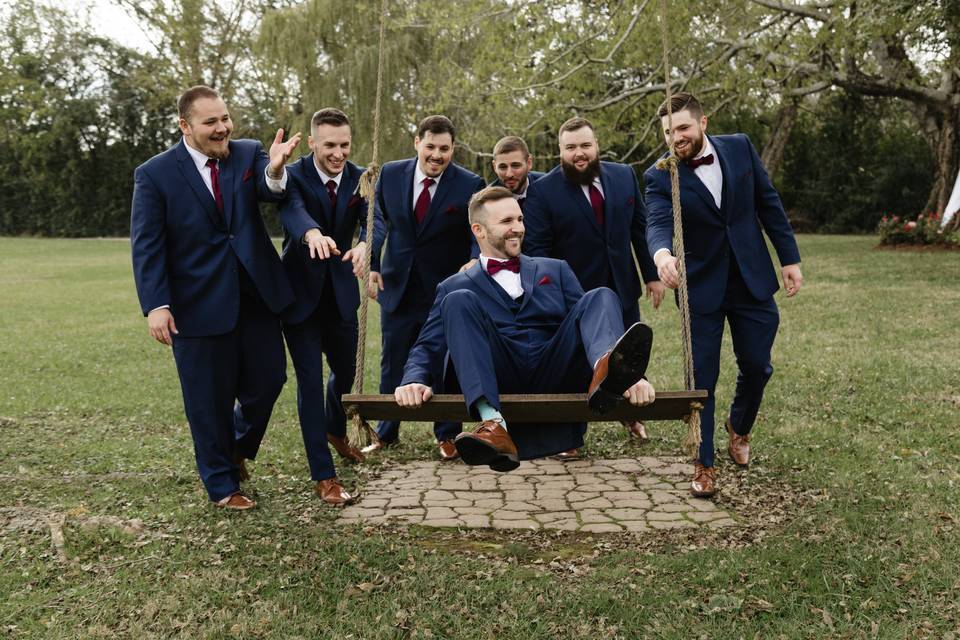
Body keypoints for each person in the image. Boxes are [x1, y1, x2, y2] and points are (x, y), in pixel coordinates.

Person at [394, 186, 656, 471]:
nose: (517, 228)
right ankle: (493, 424)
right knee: (458, 300)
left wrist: (633, 377)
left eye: (519, 220)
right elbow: (429, 345)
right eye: (506, 222)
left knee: (600, 296)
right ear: (478, 230)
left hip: (554, 369)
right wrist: (413, 379)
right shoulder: (454, 285)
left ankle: (612, 372)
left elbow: (590, 322)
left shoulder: (554, 269)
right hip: (495, 372)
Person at [131, 85, 301, 510]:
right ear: (185, 126)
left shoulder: (248, 153)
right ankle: (223, 486)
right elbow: (147, 245)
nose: (223, 128)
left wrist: (276, 169)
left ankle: (237, 447)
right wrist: (156, 304)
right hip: (195, 305)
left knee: (268, 381)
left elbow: (271, 187)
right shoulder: (154, 175)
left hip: (257, 296)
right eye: (211, 122)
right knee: (208, 400)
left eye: (225, 118)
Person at [644, 92, 803, 498]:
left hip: (751, 278)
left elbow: (768, 202)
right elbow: (658, 222)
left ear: (703, 123)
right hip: (701, 286)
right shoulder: (661, 173)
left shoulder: (739, 147)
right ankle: (704, 463)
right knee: (703, 382)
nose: (675, 138)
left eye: (682, 128)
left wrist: (789, 258)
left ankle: (740, 424)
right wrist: (663, 256)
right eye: (668, 132)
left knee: (758, 365)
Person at [523, 116, 666, 444]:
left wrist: (651, 275)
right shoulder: (543, 191)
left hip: (622, 285)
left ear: (596, 145)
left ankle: (631, 419)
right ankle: (571, 437)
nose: (579, 153)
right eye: (570, 147)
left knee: (629, 357)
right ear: (560, 151)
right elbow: (539, 252)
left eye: (585, 145)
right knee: (577, 366)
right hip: (575, 296)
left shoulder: (624, 176)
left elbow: (639, 228)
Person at [365, 115, 486, 459]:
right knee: (393, 359)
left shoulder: (468, 183)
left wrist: (475, 259)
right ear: (416, 142)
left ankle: (447, 434)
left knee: (446, 362)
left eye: (444, 149)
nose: (436, 155)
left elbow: (477, 229)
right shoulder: (389, 174)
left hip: (445, 289)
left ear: (453, 149)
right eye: (430, 146)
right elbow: (376, 221)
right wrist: (372, 263)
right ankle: (387, 430)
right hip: (397, 283)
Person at [279, 108, 369, 506]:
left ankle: (335, 429)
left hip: (342, 294)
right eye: (329, 145)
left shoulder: (361, 177)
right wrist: (311, 232)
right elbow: (292, 209)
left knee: (347, 374)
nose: (338, 153)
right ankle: (324, 475)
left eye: (345, 144)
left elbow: (373, 219)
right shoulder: (293, 175)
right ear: (313, 142)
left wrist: (367, 243)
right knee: (310, 385)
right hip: (299, 298)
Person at [489, 135, 545, 207]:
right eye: (503, 167)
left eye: (515, 166)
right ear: (494, 167)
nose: (509, 174)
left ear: (529, 163)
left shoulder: (547, 187)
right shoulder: (489, 201)